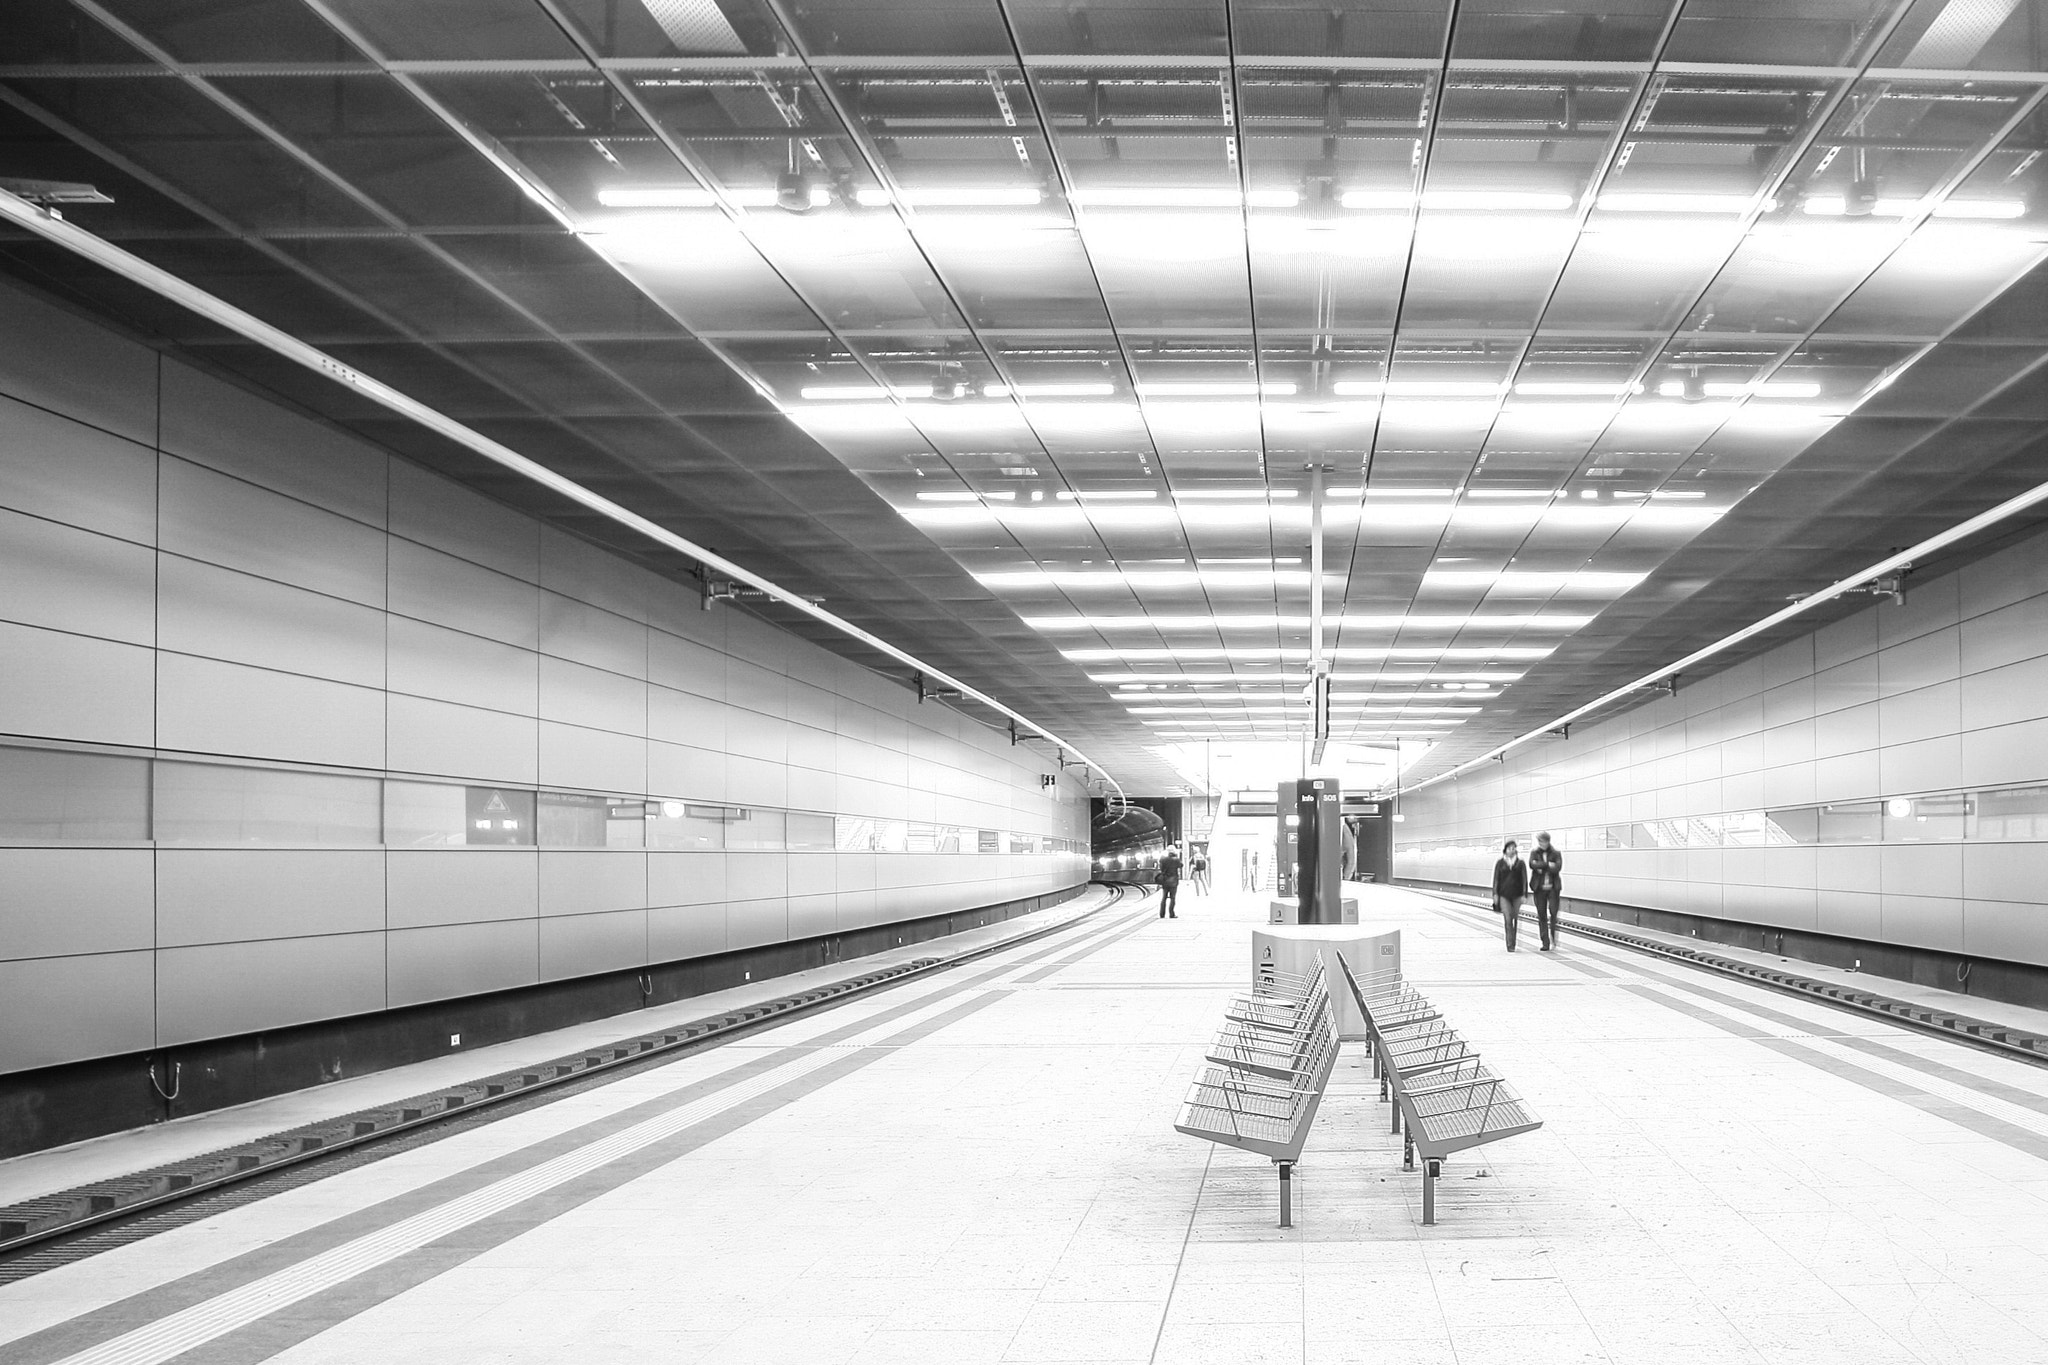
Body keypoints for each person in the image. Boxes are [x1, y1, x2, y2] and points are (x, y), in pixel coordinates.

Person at [1529, 831, 1563, 951]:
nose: (1540, 843)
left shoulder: (1556, 853)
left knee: (1553, 913)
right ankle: (1545, 942)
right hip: (1539, 888)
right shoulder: (1534, 852)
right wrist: (1548, 865)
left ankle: (1553, 937)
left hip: (1553, 888)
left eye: (1542, 841)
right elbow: (1532, 865)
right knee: (1541, 915)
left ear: (1547, 841)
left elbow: (1558, 867)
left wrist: (1541, 866)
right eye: (1539, 841)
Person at [1492, 839, 1527, 952]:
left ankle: (1514, 942)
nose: (1511, 850)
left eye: (1513, 848)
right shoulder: (1500, 863)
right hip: (1504, 895)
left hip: (1517, 895)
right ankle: (1509, 944)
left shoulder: (1520, 863)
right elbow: (1496, 879)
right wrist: (1495, 894)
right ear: (1505, 850)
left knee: (1515, 918)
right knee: (1507, 918)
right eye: (1509, 848)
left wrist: (1524, 894)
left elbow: (1524, 879)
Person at [1157, 845, 1183, 918]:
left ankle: (1162, 914)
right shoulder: (1176, 859)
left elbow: (1161, 868)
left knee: (1164, 897)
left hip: (1165, 880)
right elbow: (1181, 865)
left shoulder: (1163, 859)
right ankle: (1171, 914)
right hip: (1173, 881)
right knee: (1173, 898)